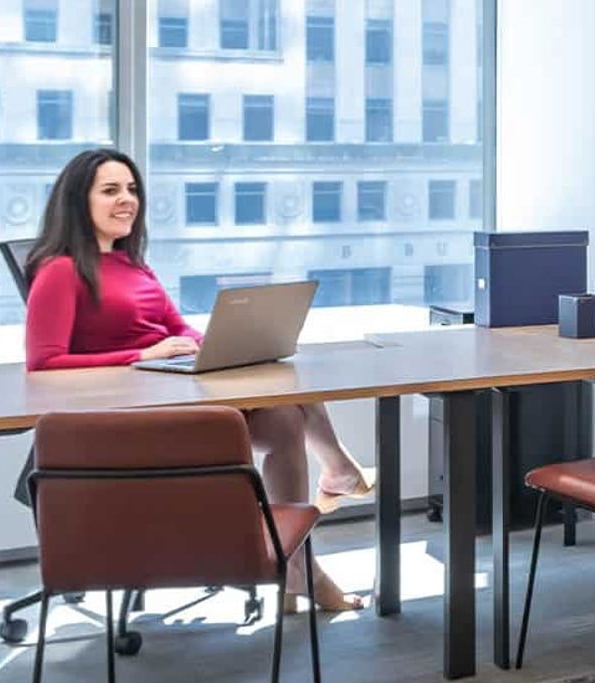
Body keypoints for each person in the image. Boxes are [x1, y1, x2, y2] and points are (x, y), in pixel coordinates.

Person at [24, 148, 371, 611]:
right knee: (286, 398)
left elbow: (176, 327)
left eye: (131, 189)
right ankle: (339, 476)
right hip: (135, 425)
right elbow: (43, 363)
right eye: (110, 191)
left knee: (286, 416)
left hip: (173, 397)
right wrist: (141, 354)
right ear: (77, 202)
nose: (127, 200)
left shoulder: (133, 265)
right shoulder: (60, 271)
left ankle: (296, 566)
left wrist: (216, 347)